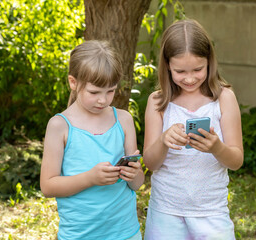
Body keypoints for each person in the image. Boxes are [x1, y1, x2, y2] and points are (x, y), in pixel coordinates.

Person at [143, 19, 244, 240]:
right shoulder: (158, 102)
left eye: (198, 69)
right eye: (180, 71)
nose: (189, 78)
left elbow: (236, 161)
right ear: (167, 65)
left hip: (211, 212)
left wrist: (217, 147)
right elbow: (150, 164)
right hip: (165, 211)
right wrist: (163, 141)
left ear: (209, 62)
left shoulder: (224, 98)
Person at [40, 40, 144, 240]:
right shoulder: (59, 126)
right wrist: (90, 178)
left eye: (110, 91)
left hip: (125, 232)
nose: (103, 100)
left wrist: (134, 174)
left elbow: (137, 184)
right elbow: (48, 186)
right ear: (73, 82)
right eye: (94, 92)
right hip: (80, 235)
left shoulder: (123, 119)